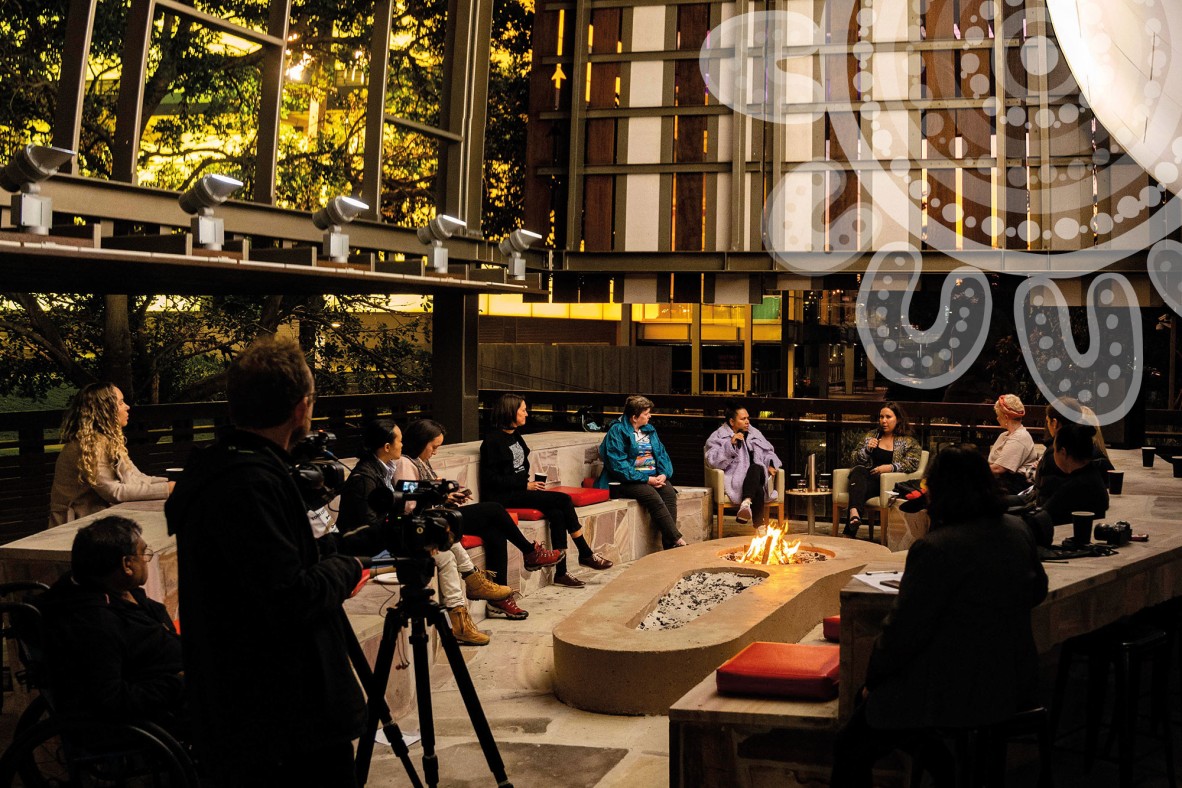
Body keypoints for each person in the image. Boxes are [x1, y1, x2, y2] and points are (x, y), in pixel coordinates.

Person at [166, 336, 366, 786]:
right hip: (282, 724)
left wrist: (335, 549)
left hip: (244, 713)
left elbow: (263, 570)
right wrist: (348, 566)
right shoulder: (251, 484)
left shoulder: (219, 469)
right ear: (301, 408)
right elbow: (289, 596)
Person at [830, 446, 1048, 787]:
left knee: (852, 742)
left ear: (942, 490)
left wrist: (873, 682)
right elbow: (1037, 592)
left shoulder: (936, 549)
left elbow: (903, 633)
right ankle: (946, 767)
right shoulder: (1018, 530)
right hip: (1012, 682)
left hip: (955, 689)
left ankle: (944, 765)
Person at [400, 418, 562, 624]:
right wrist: (441, 497)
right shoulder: (406, 463)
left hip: (439, 515)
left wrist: (450, 495)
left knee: (495, 532)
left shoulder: (421, 460)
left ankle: (499, 599)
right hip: (428, 523)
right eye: (434, 446)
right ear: (421, 441)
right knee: (494, 509)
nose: (435, 452)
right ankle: (530, 552)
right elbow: (409, 506)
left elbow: (428, 493)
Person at [38, 515, 185, 732]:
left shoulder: (114, 589)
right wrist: (178, 683)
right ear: (127, 565)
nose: (146, 559)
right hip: (167, 709)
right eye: (143, 553)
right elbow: (111, 699)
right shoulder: (95, 624)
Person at [480, 393, 613, 584]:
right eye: (523, 410)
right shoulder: (492, 441)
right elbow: (490, 479)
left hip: (520, 490)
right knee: (564, 500)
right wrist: (524, 484)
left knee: (557, 513)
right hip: (503, 496)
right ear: (510, 412)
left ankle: (561, 572)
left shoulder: (515, 436)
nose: (527, 414)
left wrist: (527, 483)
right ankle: (585, 552)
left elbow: (518, 466)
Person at [49, 382, 172, 527]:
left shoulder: (107, 440)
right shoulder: (89, 445)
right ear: (105, 411)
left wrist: (174, 483)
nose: (127, 407)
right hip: (74, 528)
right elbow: (114, 492)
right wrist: (168, 488)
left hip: (97, 520)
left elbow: (137, 478)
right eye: (120, 403)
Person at [595, 395, 685, 549]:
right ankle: (676, 540)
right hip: (626, 480)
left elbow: (662, 454)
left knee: (669, 493)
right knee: (652, 496)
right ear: (634, 417)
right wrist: (647, 479)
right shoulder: (617, 431)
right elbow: (618, 466)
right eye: (646, 413)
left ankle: (670, 545)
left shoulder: (649, 430)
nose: (650, 416)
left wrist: (663, 474)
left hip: (652, 476)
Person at [841, 402, 922, 538]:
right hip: (867, 478)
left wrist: (890, 468)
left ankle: (850, 529)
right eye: (881, 417)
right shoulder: (872, 435)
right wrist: (866, 450)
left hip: (886, 484)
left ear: (899, 419)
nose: (883, 421)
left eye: (888, 417)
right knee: (858, 471)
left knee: (858, 488)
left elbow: (912, 463)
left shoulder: (908, 441)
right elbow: (854, 458)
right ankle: (854, 514)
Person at [704, 402, 783, 527]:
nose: (747, 422)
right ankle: (758, 524)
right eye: (743, 419)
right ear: (732, 422)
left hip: (760, 473)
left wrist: (771, 464)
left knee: (756, 467)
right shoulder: (718, 436)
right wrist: (730, 445)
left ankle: (746, 503)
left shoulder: (755, 433)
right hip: (739, 480)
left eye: (748, 418)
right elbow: (712, 460)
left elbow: (768, 452)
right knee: (757, 489)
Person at [1035, 398, 1114, 500]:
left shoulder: (1056, 453)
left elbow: (1045, 496)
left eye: (1047, 421)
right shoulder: (1089, 445)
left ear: (1054, 423)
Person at [1037, 419, 1110, 526]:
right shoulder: (1093, 475)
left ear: (1063, 452)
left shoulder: (1074, 487)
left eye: (1055, 449)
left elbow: (1041, 519)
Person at [988, 393, 1039, 494]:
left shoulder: (1020, 437)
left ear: (1006, 417)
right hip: (999, 481)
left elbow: (998, 468)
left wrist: (974, 469)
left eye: (998, 416)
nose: (997, 419)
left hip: (1012, 486)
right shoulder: (1004, 435)